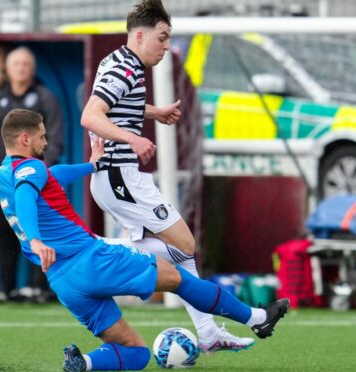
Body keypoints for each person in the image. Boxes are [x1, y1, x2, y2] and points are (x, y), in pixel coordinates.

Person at [0, 108, 289, 372]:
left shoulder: (5, 173)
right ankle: (256, 318)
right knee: (178, 277)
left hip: (63, 283)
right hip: (91, 260)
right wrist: (35, 239)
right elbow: (27, 194)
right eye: (42, 137)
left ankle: (81, 363)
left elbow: (51, 176)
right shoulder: (29, 170)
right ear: (25, 138)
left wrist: (92, 166)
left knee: (135, 353)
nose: (46, 143)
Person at [80, 0, 252, 353]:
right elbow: (90, 115)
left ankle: (207, 332)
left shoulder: (119, 61)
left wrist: (152, 112)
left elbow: (114, 101)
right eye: (162, 37)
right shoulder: (126, 69)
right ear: (140, 35)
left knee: (181, 254)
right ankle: (98, 249)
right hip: (120, 175)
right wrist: (132, 137)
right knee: (183, 245)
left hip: (118, 178)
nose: (165, 46)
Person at [0, 46, 65, 303]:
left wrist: (40, 174)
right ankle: (6, 288)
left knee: (38, 229)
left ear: (33, 69)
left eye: (26, 64)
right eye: (16, 64)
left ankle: (36, 287)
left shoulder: (45, 97)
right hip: (5, 179)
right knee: (7, 233)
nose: (21, 69)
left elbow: (55, 140)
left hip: (33, 181)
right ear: (7, 69)